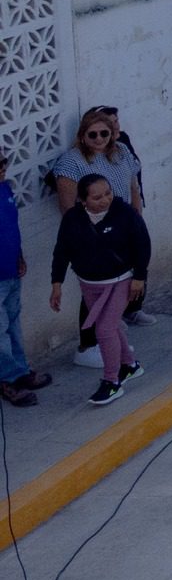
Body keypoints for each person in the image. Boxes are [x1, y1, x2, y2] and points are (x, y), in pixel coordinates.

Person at [52, 109, 149, 359]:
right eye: (92, 134)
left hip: (123, 229)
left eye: (104, 133)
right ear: (82, 135)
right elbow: (68, 208)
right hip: (94, 236)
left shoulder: (122, 152)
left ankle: (113, 341)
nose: (99, 139)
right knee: (94, 294)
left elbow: (132, 187)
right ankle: (89, 345)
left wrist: (137, 219)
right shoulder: (70, 163)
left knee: (120, 285)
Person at [49, 172, 149, 406]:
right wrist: (57, 284)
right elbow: (62, 250)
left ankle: (111, 381)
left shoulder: (124, 214)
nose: (104, 200)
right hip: (89, 284)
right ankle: (130, 365)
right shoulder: (73, 218)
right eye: (96, 197)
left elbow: (142, 244)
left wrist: (139, 278)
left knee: (104, 330)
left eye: (107, 194)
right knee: (111, 327)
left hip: (120, 281)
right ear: (83, 201)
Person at [0, 153, 53, 408]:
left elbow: (11, 227)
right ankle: (7, 379)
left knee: (13, 325)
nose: (2, 169)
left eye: (2, 163)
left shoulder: (5, 189)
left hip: (10, 272)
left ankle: (21, 370)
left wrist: (19, 256)